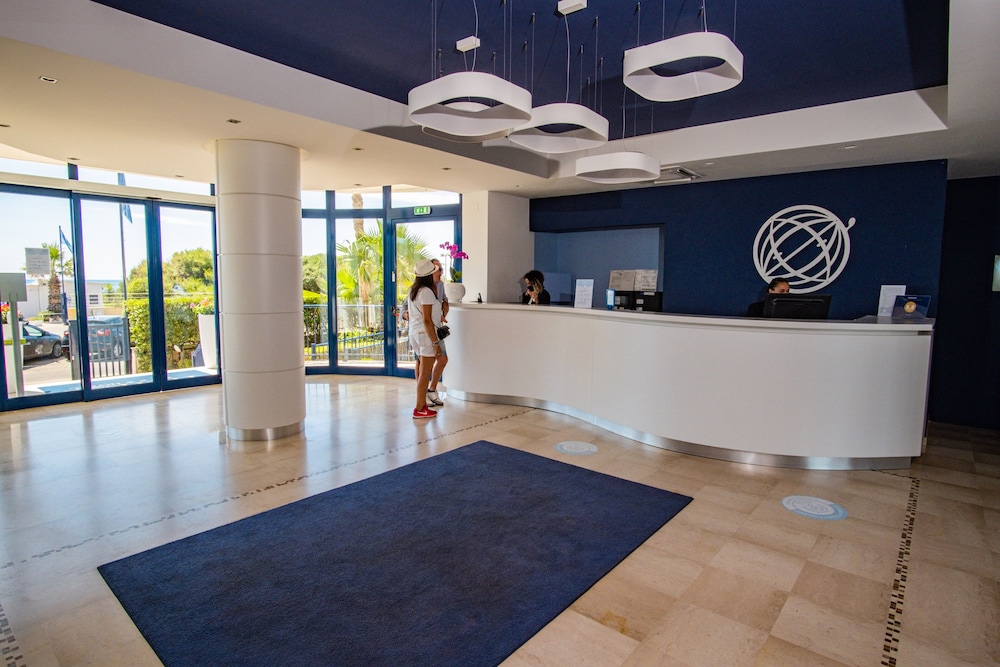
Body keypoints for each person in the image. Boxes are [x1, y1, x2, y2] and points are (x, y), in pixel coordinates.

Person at [400, 259, 449, 406]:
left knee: (424, 371)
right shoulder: (426, 292)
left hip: (415, 333)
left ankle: (421, 405)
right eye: (437, 270)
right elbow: (427, 320)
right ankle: (420, 408)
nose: (439, 272)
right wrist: (435, 343)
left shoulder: (413, 290)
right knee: (425, 373)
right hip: (425, 335)